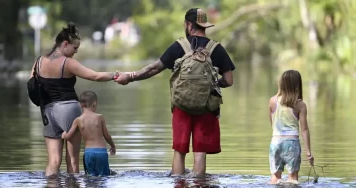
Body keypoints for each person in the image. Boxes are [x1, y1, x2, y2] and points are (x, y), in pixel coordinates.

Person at [114, 8, 235, 177]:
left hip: (181, 107)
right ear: (204, 26)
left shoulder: (180, 46)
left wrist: (130, 76)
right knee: (200, 152)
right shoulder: (216, 48)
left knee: (180, 150)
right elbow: (229, 81)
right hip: (206, 107)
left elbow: (154, 69)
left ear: (189, 25)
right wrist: (213, 83)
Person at [29, 23, 118, 176]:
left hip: (47, 113)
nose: (75, 52)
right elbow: (95, 76)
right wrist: (115, 75)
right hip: (69, 110)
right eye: (75, 48)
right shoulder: (67, 62)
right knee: (72, 159)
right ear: (65, 44)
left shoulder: (38, 62)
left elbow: (32, 86)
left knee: (53, 161)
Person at [268, 70, 314, 184]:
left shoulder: (272, 101)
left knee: (275, 178)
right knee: (292, 179)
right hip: (292, 144)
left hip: (276, 142)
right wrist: (308, 152)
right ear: (298, 85)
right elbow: (304, 130)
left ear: (281, 84)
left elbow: (272, 125)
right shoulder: (300, 105)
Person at [62, 91, 116, 176]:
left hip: (88, 153)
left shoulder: (78, 120)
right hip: (101, 152)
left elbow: (68, 137)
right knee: (104, 177)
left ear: (80, 104)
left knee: (90, 179)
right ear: (95, 103)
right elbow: (106, 135)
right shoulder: (99, 117)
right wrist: (112, 145)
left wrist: (64, 134)